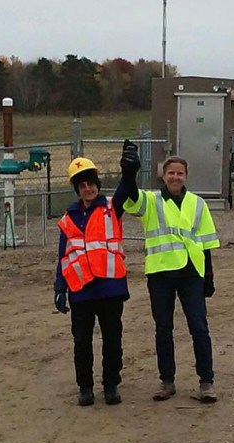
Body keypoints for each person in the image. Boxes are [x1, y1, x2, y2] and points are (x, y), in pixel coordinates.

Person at [119, 141, 221, 403]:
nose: (175, 177)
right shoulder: (151, 201)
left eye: (180, 173)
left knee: (199, 328)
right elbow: (130, 198)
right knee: (163, 329)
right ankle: (167, 381)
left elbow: (206, 244)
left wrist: (208, 277)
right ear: (163, 176)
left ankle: (206, 382)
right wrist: (128, 174)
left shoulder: (198, 204)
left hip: (191, 274)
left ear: (186, 176)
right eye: (171, 172)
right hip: (161, 274)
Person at [54, 156, 130, 406]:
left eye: (91, 184)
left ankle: (111, 385)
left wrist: (129, 171)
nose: (88, 189)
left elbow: (126, 188)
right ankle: (85, 387)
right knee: (82, 342)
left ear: (97, 184)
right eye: (82, 185)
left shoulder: (112, 207)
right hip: (81, 290)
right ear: (77, 189)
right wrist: (59, 289)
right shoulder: (68, 219)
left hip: (110, 287)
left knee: (112, 339)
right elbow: (63, 257)